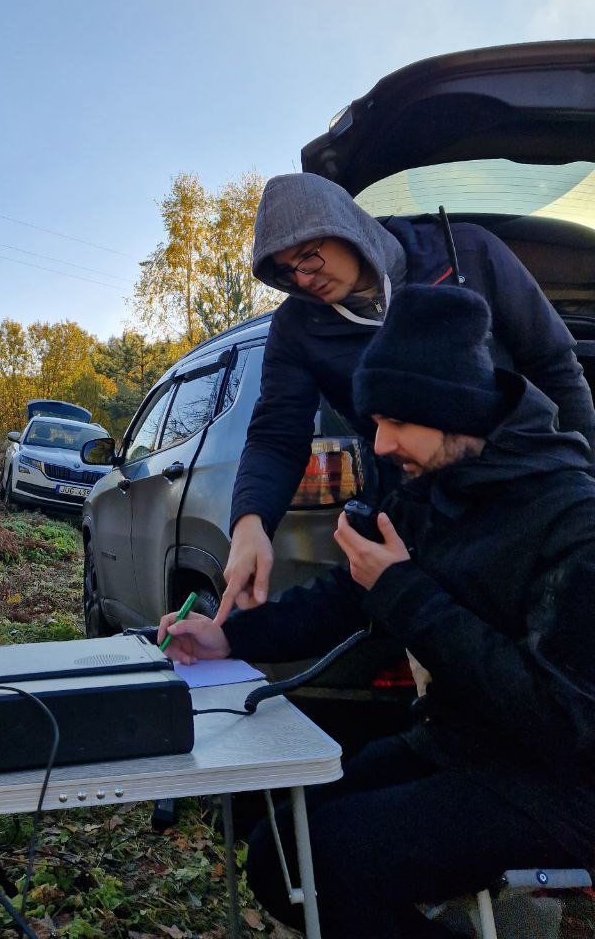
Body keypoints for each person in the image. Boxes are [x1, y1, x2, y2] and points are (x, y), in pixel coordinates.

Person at [159, 285, 595, 938]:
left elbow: (565, 720)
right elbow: (346, 594)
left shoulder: (572, 518)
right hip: (455, 745)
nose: (381, 443)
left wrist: (404, 590)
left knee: (330, 858)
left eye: (394, 421)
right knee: (282, 846)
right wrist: (228, 638)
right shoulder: (433, 489)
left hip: (555, 782)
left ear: (451, 408)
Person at [217, 172, 595, 624]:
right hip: (420, 513)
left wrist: (582, 478)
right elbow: (276, 435)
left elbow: (553, 364)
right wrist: (250, 523)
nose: (302, 277)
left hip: (526, 492)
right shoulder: (297, 329)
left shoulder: (467, 252)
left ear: (346, 227)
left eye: (309, 256)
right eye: (285, 271)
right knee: (442, 648)